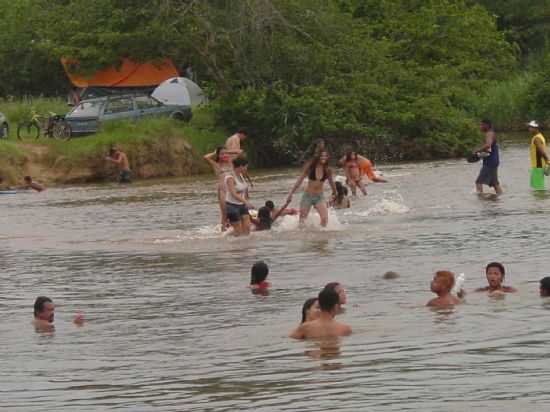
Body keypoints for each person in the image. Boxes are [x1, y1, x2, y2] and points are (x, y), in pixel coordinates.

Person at [286, 150, 337, 227]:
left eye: (325, 156)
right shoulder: (310, 167)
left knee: (324, 219)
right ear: (318, 157)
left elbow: (331, 182)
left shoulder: (328, 170)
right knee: (302, 221)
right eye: (322, 156)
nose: (324, 158)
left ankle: (321, 236)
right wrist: (291, 193)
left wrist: (335, 192)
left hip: (319, 197)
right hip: (307, 196)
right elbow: (300, 180)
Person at [204, 147, 233, 230]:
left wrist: (228, 152)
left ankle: (233, 227)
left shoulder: (231, 163)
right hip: (223, 190)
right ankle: (223, 230)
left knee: (235, 211)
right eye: (222, 154)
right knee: (224, 213)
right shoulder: (216, 165)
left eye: (226, 153)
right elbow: (206, 157)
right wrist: (215, 152)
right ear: (218, 155)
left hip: (232, 190)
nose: (224, 155)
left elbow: (240, 152)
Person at [224, 157, 254, 236]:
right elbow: (233, 193)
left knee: (247, 228)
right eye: (246, 166)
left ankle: (246, 248)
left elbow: (244, 189)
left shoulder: (241, 175)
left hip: (242, 205)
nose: (246, 168)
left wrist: (247, 201)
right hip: (231, 206)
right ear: (241, 166)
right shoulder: (230, 178)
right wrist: (246, 202)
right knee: (239, 232)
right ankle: (225, 238)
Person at [474, 119, 502, 195]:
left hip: (490, 162)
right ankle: (501, 200)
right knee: (495, 183)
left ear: (486, 125)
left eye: (481, 125)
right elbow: (489, 150)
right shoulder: (491, 133)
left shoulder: (489, 134)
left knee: (478, 182)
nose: (480, 127)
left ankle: (481, 200)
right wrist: (480, 155)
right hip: (494, 161)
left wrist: (477, 151)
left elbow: (488, 145)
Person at [527, 120, 549, 191]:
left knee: (538, 189)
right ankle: (539, 202)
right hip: (538, 166)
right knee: (536, 188)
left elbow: (541, 151)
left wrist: (547, 160)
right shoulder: (540, 136)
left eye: (531, 127)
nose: (529, 129)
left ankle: (541, 200)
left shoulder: (536, 138)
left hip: (538, 166)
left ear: (536, 128)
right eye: (529, 127)